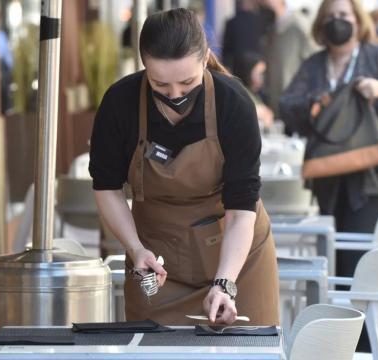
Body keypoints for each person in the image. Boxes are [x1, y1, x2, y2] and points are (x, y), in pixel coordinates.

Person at [89, 8, 279, 326]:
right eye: (160, 85)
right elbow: (106, 186)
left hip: (236, 257)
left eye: (187, 82)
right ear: (144, 66)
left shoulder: (233, 103)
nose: (175, 94)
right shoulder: (120, 103)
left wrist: (225, 284)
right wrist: (135, 250)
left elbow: (241, 208)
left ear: (205, 59)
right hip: (155, 260)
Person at [279, 0, 378, 351]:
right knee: (334, 256)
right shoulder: (314, 67)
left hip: (377, 178)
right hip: (331, 180)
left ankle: (364, 342)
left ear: (358, 21)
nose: (336, 23)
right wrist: (315, 103)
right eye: (329, 17)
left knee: (352, 260)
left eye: (343, 16)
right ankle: (353, 342)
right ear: (319, 24)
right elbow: (288, 106)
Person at [260, 0, 315, 117]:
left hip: (296, 111)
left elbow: (316, 63)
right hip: (275, 109)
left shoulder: (300, 25)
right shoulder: (271, 30)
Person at [231, 52, 274, 129]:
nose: (263, 78)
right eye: (260, 74)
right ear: (247, 72)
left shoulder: (256, 94)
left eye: (264, 74)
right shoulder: (238, 93)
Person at [221, 0, 267, 71]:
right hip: (258, 66)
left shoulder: (231, 22)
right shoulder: (262, 21)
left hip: (238, 66)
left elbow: (226, 51)